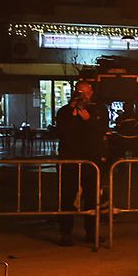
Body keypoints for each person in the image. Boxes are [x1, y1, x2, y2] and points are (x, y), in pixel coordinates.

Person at [53, 80, 108, 246]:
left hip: (90, 161)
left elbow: (101, 130)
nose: (81, 95)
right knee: (67, 197)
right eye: (79, 91)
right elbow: (61, 131)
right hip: (69, 160)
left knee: (92, 199)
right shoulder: (65, 112)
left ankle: (91, 232)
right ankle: (66, 233)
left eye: (85, 92)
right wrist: (72, 113)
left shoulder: (98, 110)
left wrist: (89, 120)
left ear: (91, 93)